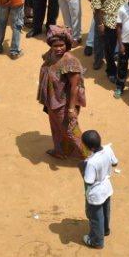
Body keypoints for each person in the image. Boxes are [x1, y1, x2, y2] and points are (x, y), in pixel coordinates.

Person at [36, 26, 87, 160]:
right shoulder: (51, 54)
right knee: (56, 127)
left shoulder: (70, 61)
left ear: (67, 44)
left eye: (62, 45)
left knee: (71, 131)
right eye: (55, 45)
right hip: (53, 101)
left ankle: (89, 156)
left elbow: (75, 87)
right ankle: (60, 151)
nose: (59, 48)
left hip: (64, 104)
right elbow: (46, 60)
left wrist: (71, 109)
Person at [92, 0, 128, 85]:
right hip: (110, 20)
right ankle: (111, 70)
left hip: (125, 16)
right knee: (110, 47)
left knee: (128, 43)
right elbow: (96, 6)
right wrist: (100, 24)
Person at [81, 129, 116, 249]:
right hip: (107, 188)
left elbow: (89, 181)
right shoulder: (108, 149)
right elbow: (115, 163)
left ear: (90, 148)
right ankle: (105, 230)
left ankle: (97, 241)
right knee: (106, 212)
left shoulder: (91, 163)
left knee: (96, 218)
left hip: (96, 193)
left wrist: (83, 167)